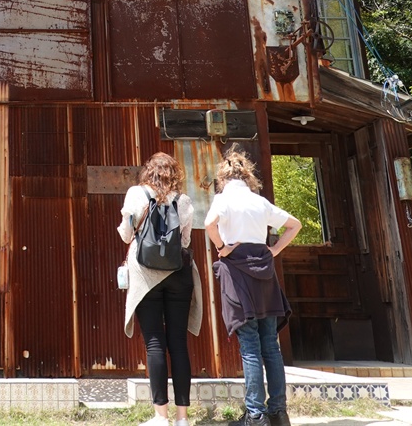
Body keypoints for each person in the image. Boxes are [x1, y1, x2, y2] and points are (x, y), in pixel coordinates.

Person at [204, 147, 302, 426]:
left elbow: (209, 224)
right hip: (265, 272)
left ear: (223, 178)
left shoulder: (223, 199)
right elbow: (295, 225)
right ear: (247, 177)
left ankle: (255, 415)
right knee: (271, 345)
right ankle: (278, 413)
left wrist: (222, 247)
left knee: (249, 346)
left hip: (238, 274)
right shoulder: (259, 202)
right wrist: (274, 250)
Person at [118, 151, 203, 426]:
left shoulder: (136, 193)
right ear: (174, 173)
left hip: (145, 274)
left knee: (154, 342)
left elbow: (126, 234)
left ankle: (160, 416)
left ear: (148, 171)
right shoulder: (184, 200)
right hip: (179, 274)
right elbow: (186, 241)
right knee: (178, 343)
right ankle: (182, 418)